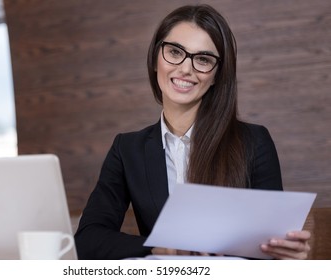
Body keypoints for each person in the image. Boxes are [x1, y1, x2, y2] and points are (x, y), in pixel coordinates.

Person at [74, 4, 311, 260]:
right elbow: (88, 239)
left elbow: (270, 243)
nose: (186, 69)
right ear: (156, 58)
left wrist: (287, 253)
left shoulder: (253, 142)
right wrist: (157, 247)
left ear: (217, 75)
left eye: (203, 59)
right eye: (175, 52)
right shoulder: (127, 149)